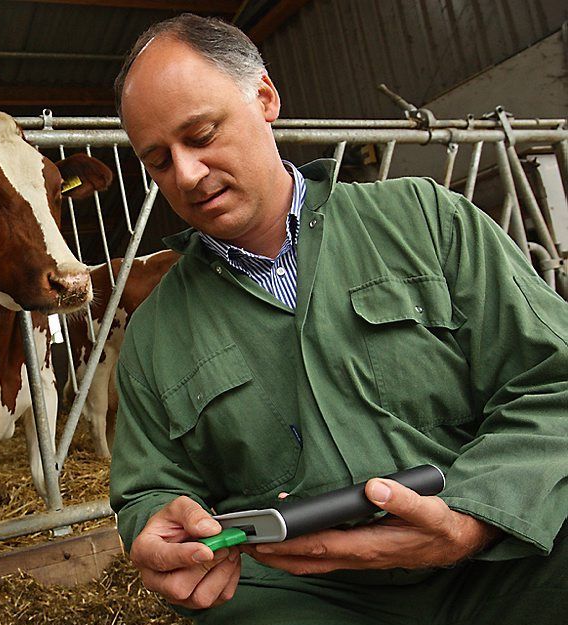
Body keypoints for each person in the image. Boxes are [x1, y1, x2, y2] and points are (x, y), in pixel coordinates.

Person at [108, 13, 568, 625]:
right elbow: (149, 489)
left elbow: (553, 380)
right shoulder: (152, 333)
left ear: (265, 98)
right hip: (308, 594)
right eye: (158, 161)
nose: (186, 174)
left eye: (201, 134)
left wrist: (478, 517)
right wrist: (156, 526)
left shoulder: (427, 221)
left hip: (501, 559)